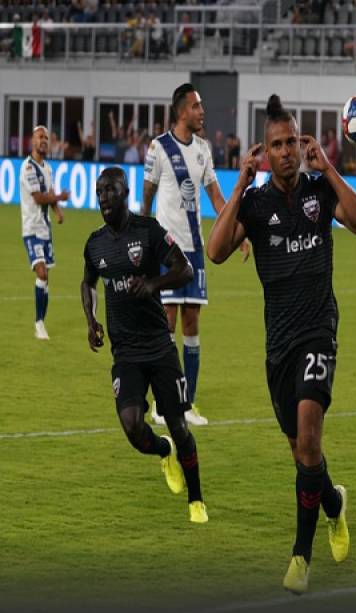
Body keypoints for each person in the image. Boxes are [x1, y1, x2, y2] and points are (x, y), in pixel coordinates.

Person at [207, 94, 356, 595]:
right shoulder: (255, 205)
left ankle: (301, 558)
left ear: (303, 145)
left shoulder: (320, 192)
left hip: (318, 329)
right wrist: (237, 186)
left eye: (291, 143)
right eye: (275, 145)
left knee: (309, 431)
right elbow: (215, 253)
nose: (284, 152)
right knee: (303, 453)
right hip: (277, 344)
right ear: (265, 151)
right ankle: (334, 505)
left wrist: (331, 169)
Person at [81, 166, 208, 524]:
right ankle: (163, 450)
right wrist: (91, 321)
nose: (103, 197)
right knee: (134, 428)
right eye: (99, 191)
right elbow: (88, 283)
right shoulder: (95, 244)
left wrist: (153, 284)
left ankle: (196, 498)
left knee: (180, 425)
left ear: (124, 192)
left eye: (109, 190)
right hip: (125, 353)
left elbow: (184, 269)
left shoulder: (149, 232)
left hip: (159, 347)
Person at [141, 82, 226, 427]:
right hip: (167, 251)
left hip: (195, 252)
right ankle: (161, 404)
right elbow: (146, 198)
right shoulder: (158, 148)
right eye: (196, 106)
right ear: (181, 112)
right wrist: (143, 243)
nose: (202, 111)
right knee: (167, 325)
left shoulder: (204, 149)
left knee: (191, 325)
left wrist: (236, 231)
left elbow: (217, 198)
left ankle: (186, 402)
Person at [20, 125, 69, 340]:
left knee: (46, 279)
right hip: (31, 229)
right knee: (41, 273)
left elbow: (48, 195)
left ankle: (42, 321)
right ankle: (39, 323)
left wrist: (57, 211)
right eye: (40, 137)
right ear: (32, 141)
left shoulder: (48, 169)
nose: (44, 140)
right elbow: (39, 198)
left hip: (45, 230)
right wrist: (59, 198)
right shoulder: (27, 168)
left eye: (46, 138)